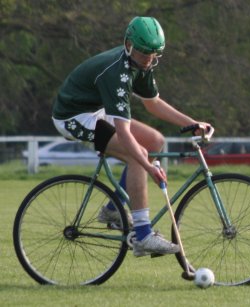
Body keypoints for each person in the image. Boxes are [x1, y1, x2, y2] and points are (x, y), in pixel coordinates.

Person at [52, 16, 212, 257]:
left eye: (154, 55)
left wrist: (192, 123)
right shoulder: (117, 72)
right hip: (73, 117)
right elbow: (125, 135)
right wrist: (149, 167)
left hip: (94, 112)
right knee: (138, 155)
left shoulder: (142, 63)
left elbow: (153, 103)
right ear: (128, 44)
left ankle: (113, 209)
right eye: (144, 54)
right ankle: (143, 235)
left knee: (155, 140)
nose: (148, 60)